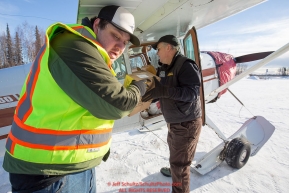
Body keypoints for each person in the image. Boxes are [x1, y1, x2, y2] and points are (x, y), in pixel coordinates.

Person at [3, 5, 146, 193]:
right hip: (46, 173)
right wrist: (139, 86)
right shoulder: (73, 44)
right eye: (116, 36)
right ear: (97, 25)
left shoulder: (95, 54)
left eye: (125, 42)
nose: (120, 47)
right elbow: (118, 105)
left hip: (71, 165)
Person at [142, 35, 202, 193]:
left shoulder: (186, 65)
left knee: (180, 167)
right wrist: (150, 96)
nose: (157, 53)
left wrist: (164, 91)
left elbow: (192, 93)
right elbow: (162, 88)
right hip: (174, 123)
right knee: (176, 160)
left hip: (186, 124)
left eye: (159, 49)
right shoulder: (164, 68)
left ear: (169, 47)